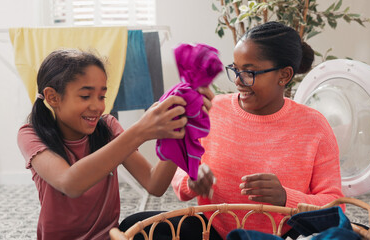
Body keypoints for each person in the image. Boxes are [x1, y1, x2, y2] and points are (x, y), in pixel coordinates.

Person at [120, 21, 345, 239]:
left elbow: (336, 206)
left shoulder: (314, 125)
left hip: (283, 235)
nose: (238, 81)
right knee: (133, 226)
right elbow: (179, 169)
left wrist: (286, 197)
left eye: (249, 72)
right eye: (235, 70)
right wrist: (191, 180)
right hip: (212, 230)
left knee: (353, 232)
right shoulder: (212, 109)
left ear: (284, 75)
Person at [17, 48, 213, 240]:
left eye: (102, 96)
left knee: (141, 224)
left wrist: (181, 128)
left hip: (111, 236)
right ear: (53, 97)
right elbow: (70, 183)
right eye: (85, 96)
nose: (97, 106)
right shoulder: (31, 134)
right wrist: (140, 131)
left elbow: (155, 184)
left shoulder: (107, 126)